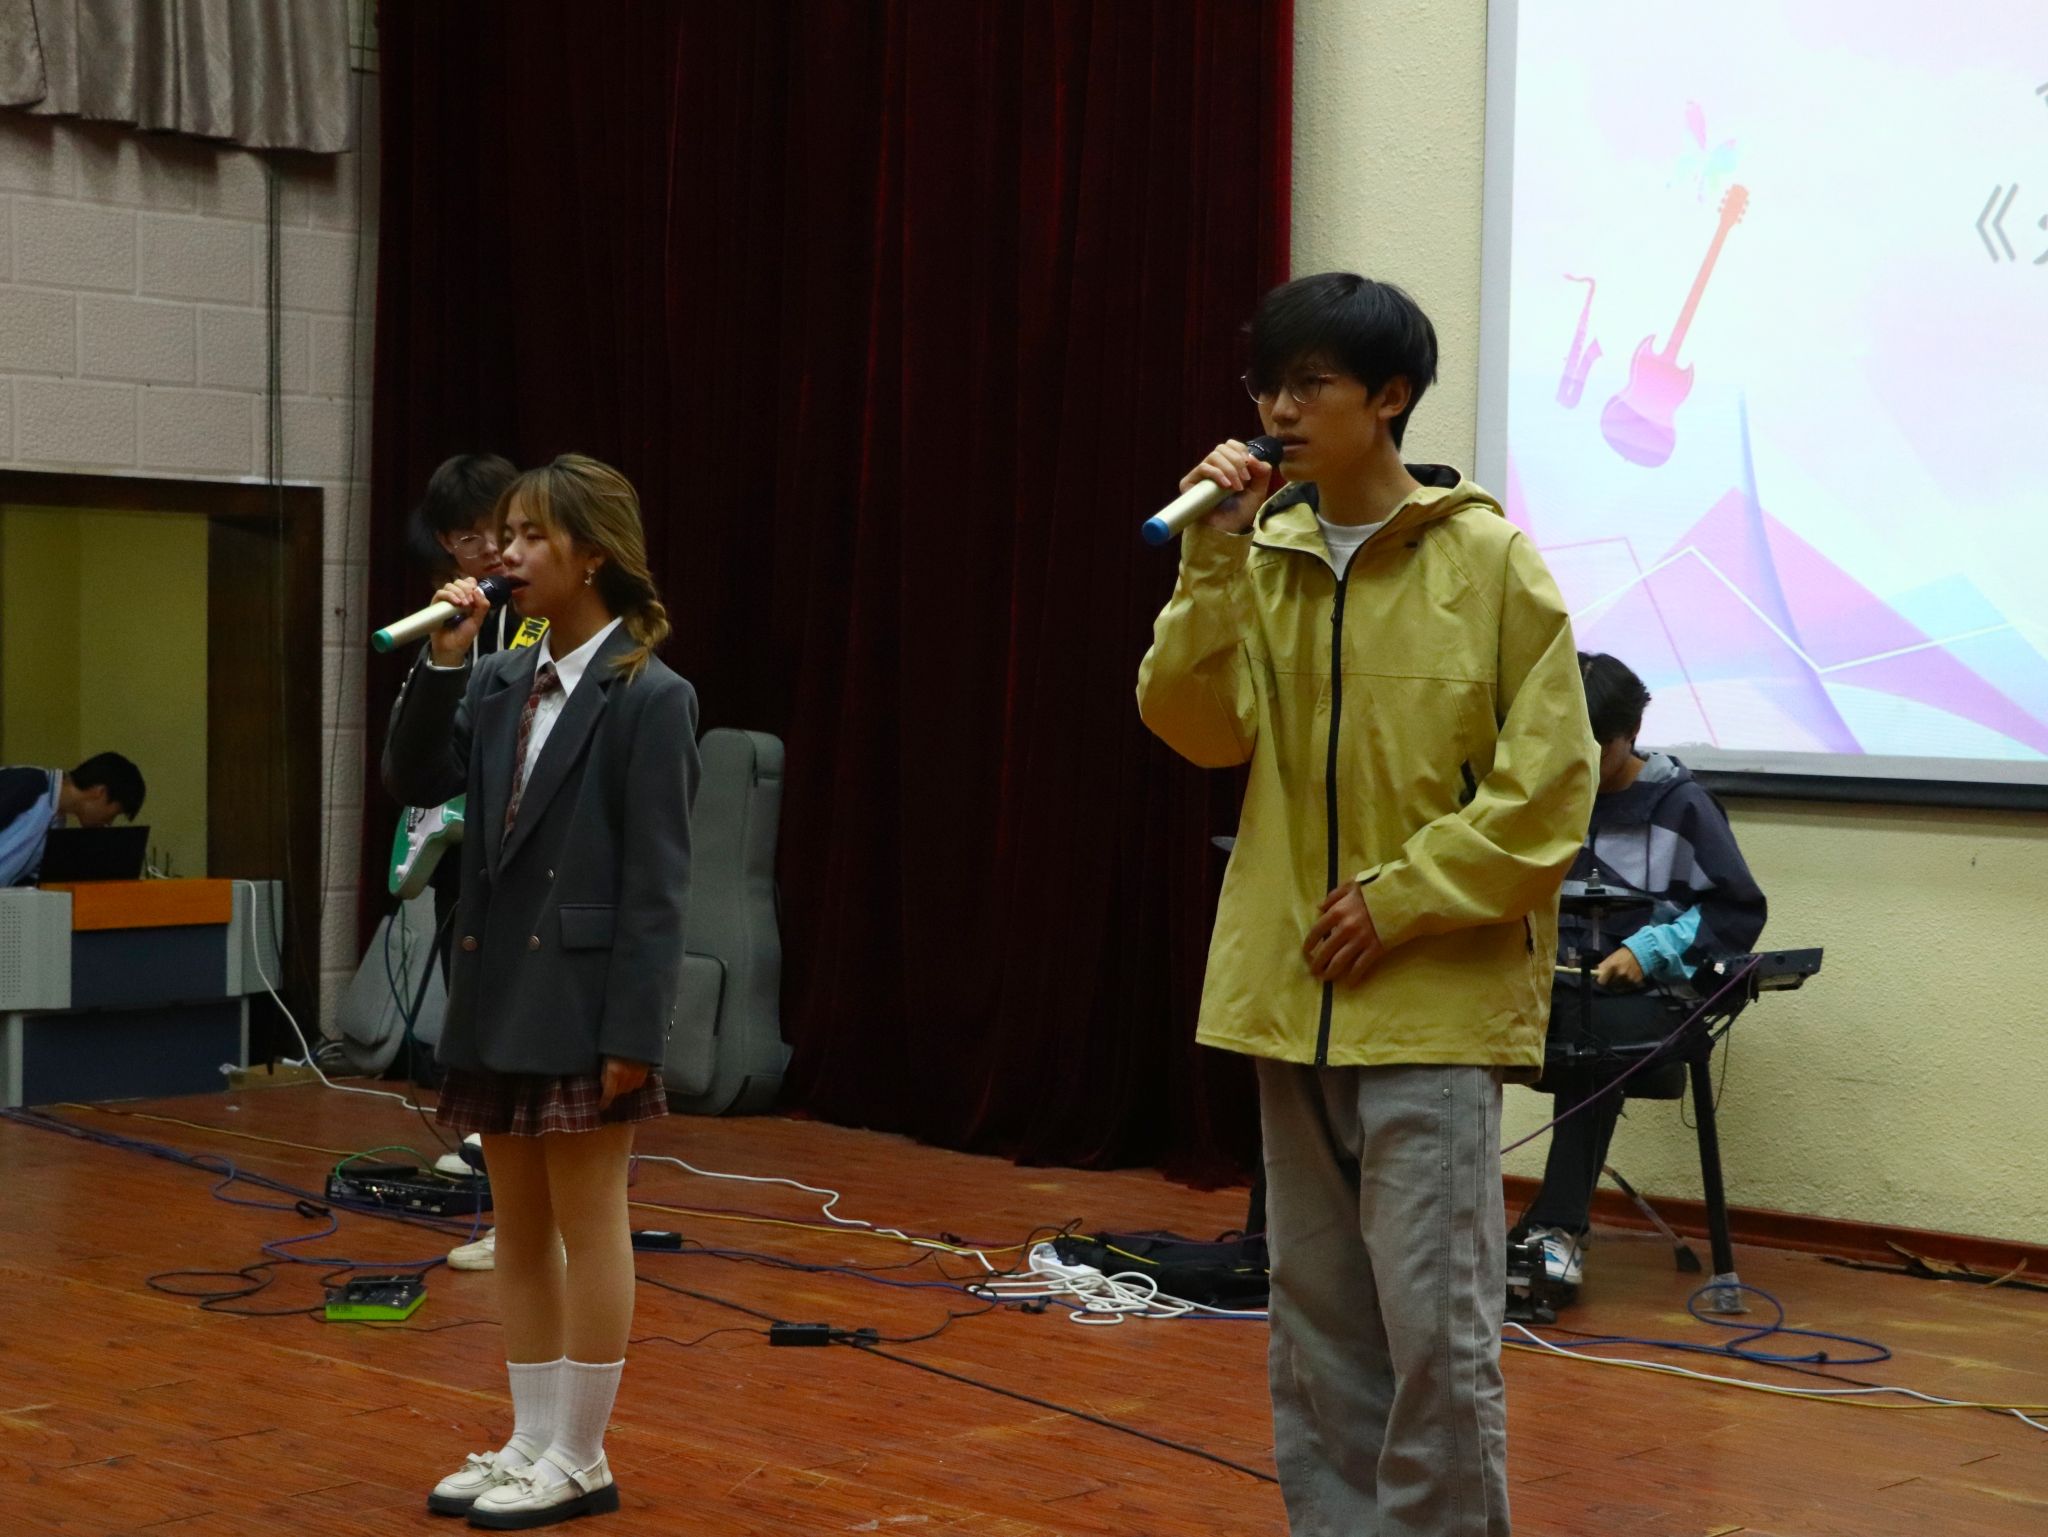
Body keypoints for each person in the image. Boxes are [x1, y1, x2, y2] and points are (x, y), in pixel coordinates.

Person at [1137, 272, 1597, 1537]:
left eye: (1310, 385)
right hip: (1291, 995)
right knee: (1316, 1322)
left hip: (1431, 998)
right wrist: (1209, 557)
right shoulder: (1262, 554)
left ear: (1388, 397)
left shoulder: (1486, 560)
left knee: (1435, 1332)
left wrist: (1402, 900)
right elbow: (1195, 727)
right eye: (1266, 387)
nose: (1278, 411)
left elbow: (1547, 788)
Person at [383, 453, 699, 1528]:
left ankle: (581, 1452)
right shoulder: (497, 678)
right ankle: (527, 1437)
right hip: (495, 984)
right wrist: (441, 658)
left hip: (583, 997)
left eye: (528, 536)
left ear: (591, 555)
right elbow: (415, 778)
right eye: (501, 536)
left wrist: (634, 1031)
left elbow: (658, 884)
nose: (504, 555)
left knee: (589, 1221)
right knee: (516, 1224)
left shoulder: (650, 695)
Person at [1515, 652, 1767, 1292]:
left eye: (1592, 748)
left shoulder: (1682, 806)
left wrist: (1650, 950)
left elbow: (1735, 911)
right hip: (1548, 988)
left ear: (1629, 734)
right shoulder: (1541, 797)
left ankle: (1556, 1231)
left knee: (1590, 1037)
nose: (1575, 762)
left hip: (1645, 1000)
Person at [0, 752, 146, 886]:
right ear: (100, 792)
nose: (109, 822)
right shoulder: (28, 783)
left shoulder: (56, 821)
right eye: (114, 814)